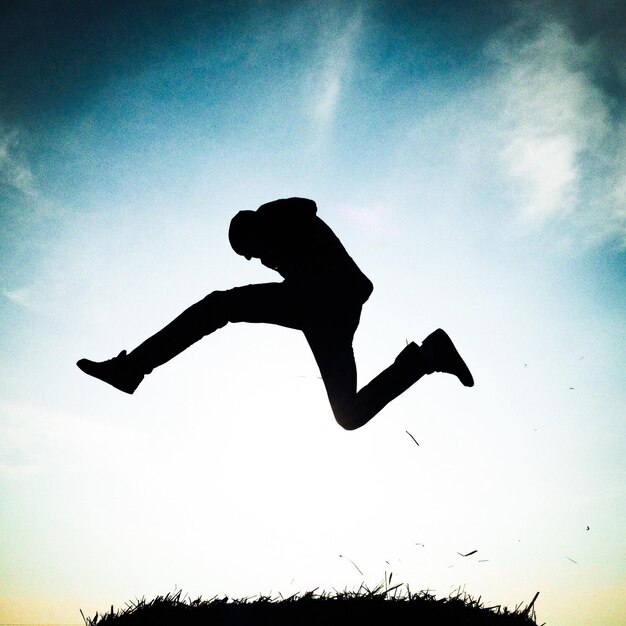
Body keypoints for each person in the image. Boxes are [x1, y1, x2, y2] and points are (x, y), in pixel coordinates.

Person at [77, 197, 473, 430]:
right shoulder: (274, 248)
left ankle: (132, 369)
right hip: (326, 316)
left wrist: (272, 223)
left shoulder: (274, 218)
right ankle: (428, 357)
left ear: (252, 229)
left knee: (220, 305)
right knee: (348, 415)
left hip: (325, 296)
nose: (251, 258)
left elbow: (308, 207)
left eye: (246, 249)